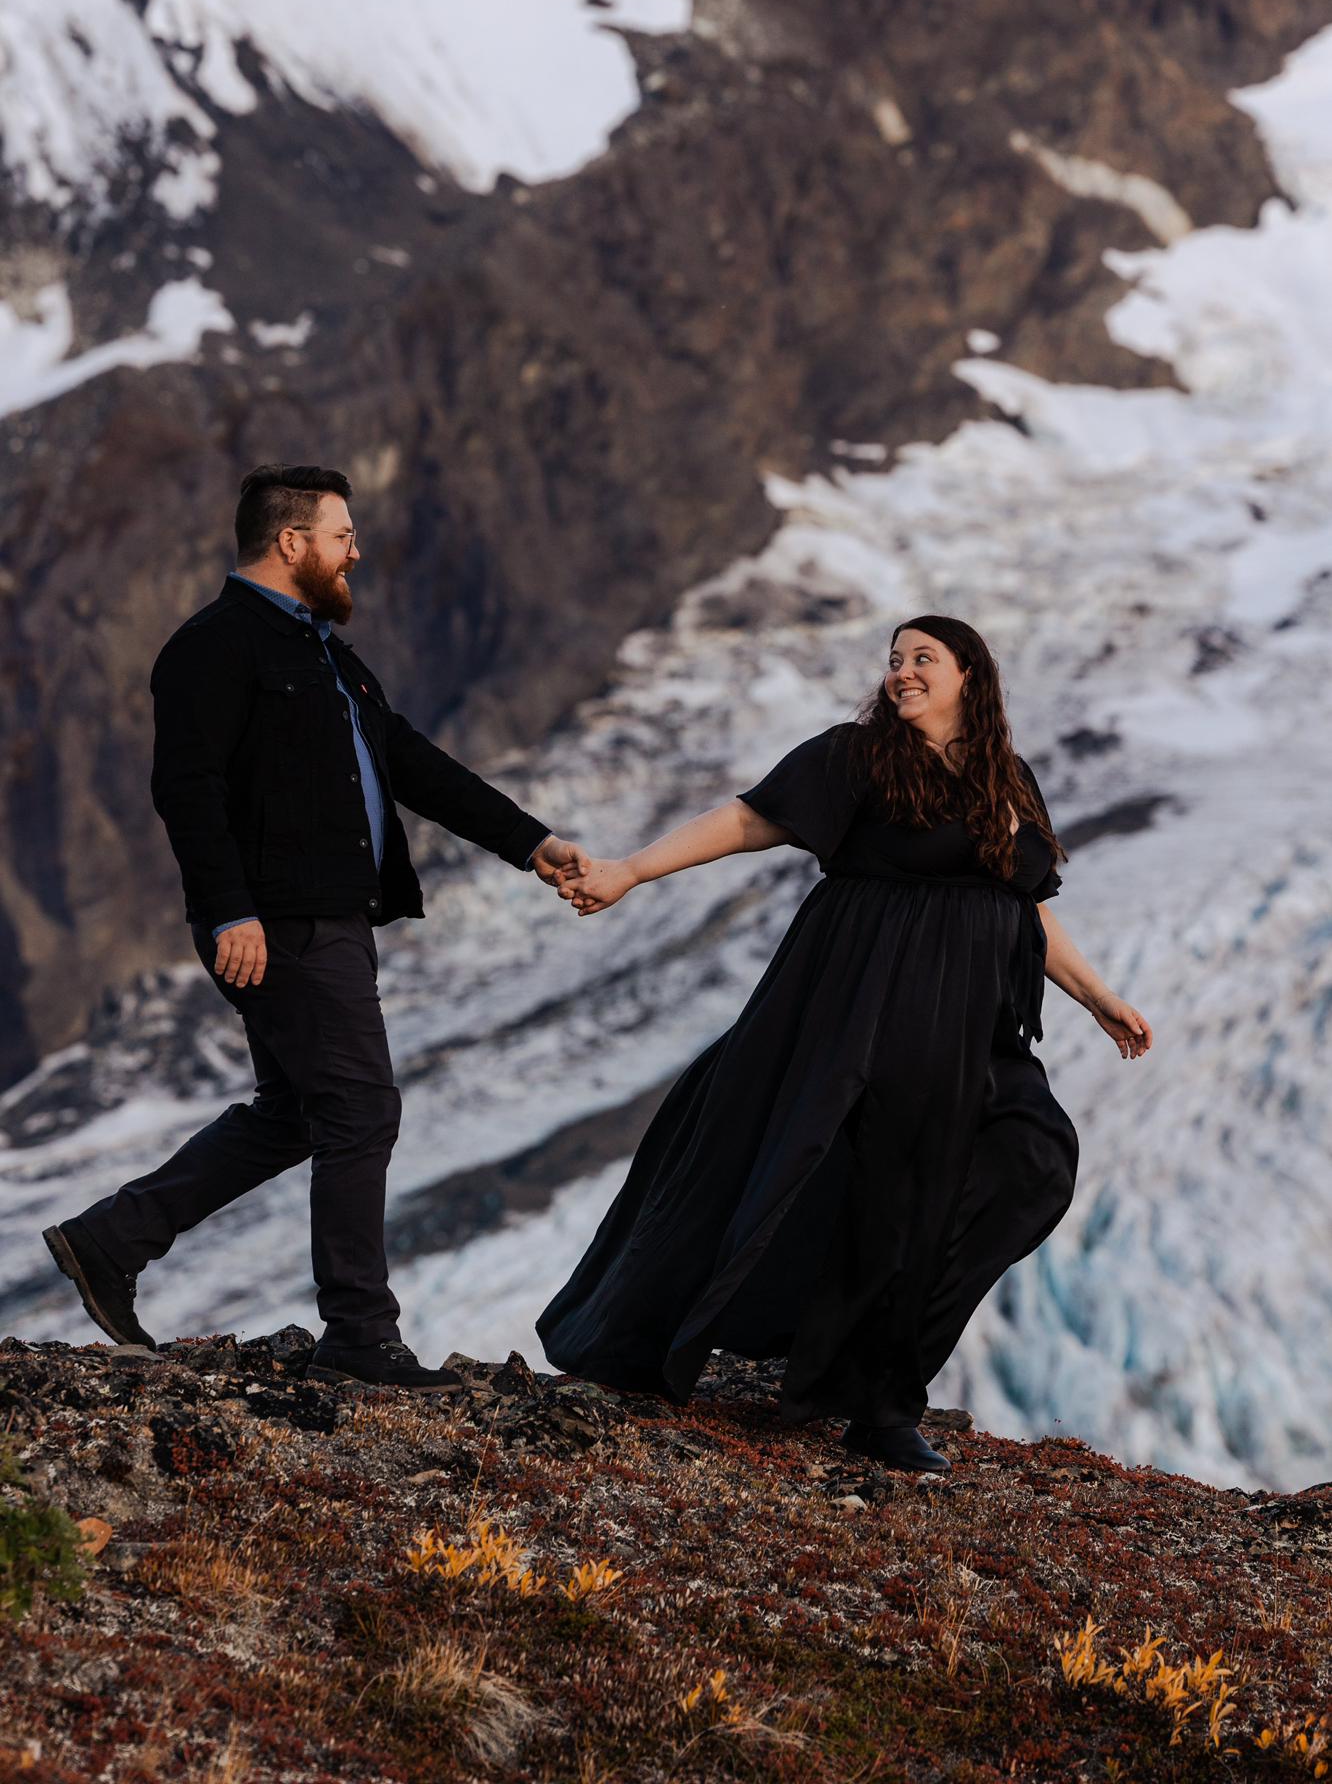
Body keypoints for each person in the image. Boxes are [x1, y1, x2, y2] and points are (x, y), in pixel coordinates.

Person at [539, 615, 1152, 1471]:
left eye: (923, 659)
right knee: (845, 1181)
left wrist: (1098, 998)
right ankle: (872, 1407)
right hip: (864, 997)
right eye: (894, 660)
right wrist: (632, 870)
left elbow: (1023, 903)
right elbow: (753, 820)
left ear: (970, 674)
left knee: (1028, 1158)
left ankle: (873, 1381)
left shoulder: (1006, 778)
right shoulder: (857, 756)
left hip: (970, 1022)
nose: (902, 672)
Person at [43, 464, 587, 1389]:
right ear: (291, 542)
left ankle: (108, 1241)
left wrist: (529, 843)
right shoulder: (213, 646)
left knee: (295, 1114)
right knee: (360, 1109)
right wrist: (230, 911)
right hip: (279, 921)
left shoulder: (328, 656)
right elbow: (188, 789)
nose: (355, 552)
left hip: (331, 916)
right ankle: (360, 1337)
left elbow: (411, 762)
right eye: (342, 536)